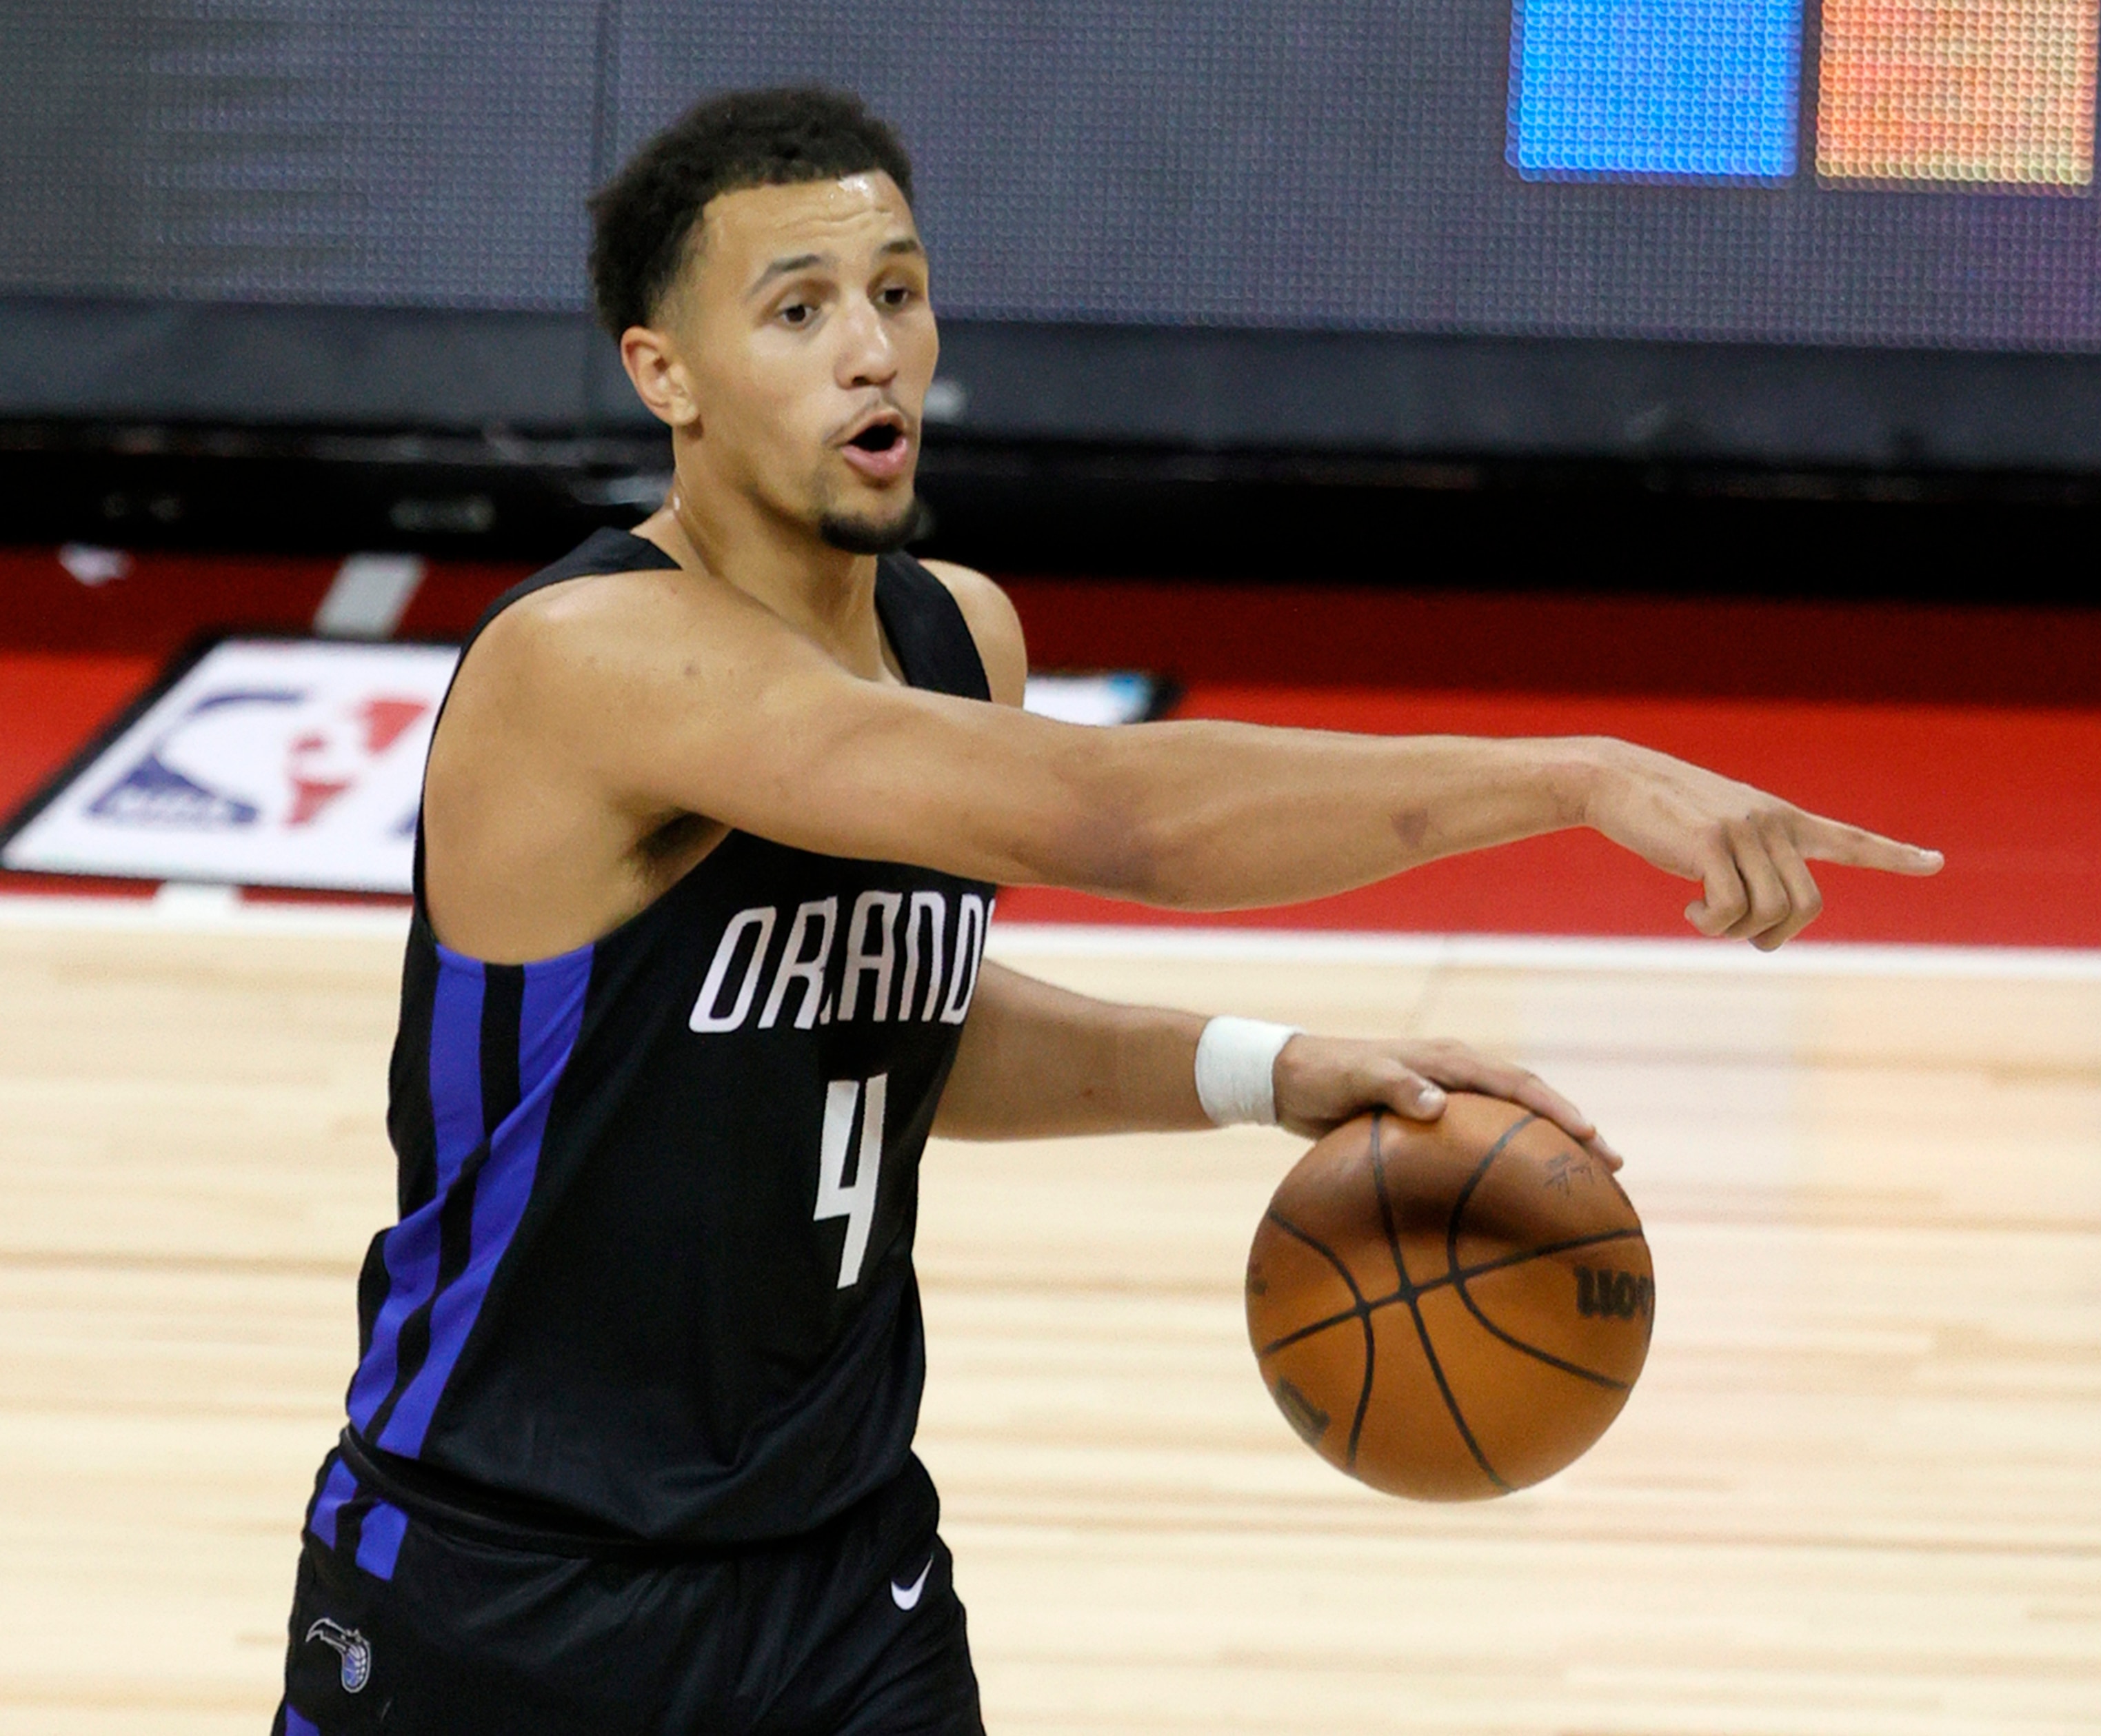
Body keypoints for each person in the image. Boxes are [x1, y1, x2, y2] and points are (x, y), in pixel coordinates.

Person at [272, 85, 1940, 1736]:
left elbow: (893, 1023)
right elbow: (1119, 818)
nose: (872, 349)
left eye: (899, 293)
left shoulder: (955, 635)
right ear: (667, 374)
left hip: (841, 1578)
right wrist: (1572, 775)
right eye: (799, 310)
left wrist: (1263, 1066)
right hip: (506, 1584)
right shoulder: (591, 664)